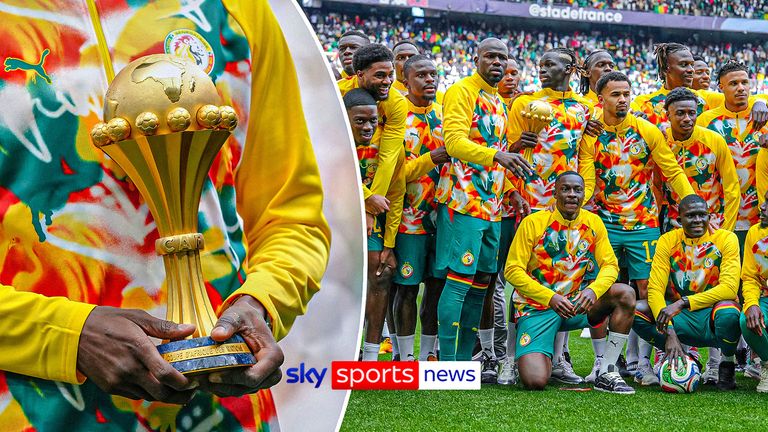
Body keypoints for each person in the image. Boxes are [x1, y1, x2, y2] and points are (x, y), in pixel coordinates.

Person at [0, 1, 331, 429]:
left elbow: (291, 216)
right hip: (33, 410)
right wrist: (67, 335)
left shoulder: (236, 11)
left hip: (224, 411)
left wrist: (263, 301)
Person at [579, 71, 696, 386]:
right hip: (604, 224)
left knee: (648, 291)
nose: (622, 100)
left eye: (626, 94)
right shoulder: (591, 133)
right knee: (604, 290)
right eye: (615, 94)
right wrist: (582, 207)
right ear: (600, 99)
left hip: (643, 224)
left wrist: (691, 202)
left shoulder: (646, 130)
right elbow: (587, 177)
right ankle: (602, 363)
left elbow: (672, 171)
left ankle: (642, 362)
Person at [435, 37, 532, 362]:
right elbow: (454, 143)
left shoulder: (498, 101)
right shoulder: (462, 91)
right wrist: (498, 156)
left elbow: (498, 152)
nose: (497, 62)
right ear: (476, 59)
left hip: (492, 206)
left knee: (483, 281)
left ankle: (463, 363)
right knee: (459, 280)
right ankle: (447, 364)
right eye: (490, 56)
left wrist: (511, 191)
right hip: (463, 202)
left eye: (502, 57)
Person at [507, 47, 597, 385]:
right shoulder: (525, 103)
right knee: (522, 277)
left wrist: (585, 195)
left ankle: (560, 358)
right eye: (540, 64)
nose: (541, 69)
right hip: (531, 202)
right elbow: (508, 148)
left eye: (549, 64)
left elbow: (585, 156)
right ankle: (508, 358)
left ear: (570, 68)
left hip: (568, 206)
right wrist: (513, 188)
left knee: (565, 275)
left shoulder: (584, 108)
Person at [506, 171, 635, 394]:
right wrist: (550, 297)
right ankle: (534, 357)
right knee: (535, 381)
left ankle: (607, 370)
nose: (572, 194)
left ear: (584, 194)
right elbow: (512, 270)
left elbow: (611, 265)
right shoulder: (533, 222)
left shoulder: (593, 222)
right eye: (565, 189)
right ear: (555, 193)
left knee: (625, 293)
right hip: (538, 308)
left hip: (576, 304)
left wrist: (593, 291)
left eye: (577, 190)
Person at [339, 45, 407, 360]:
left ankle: (369, 356)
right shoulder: (335, 95)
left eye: (390, 74)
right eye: (380, 75)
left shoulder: (396, 104)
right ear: (359, 74)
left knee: (382, 271)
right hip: (335, 205)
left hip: (371, 206)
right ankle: (338, 347)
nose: (388, 81)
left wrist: (369, 208)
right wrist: (365, 200)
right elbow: (326, 159)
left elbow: (390, 159)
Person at [633, 195, 741, 391]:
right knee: (636, 310)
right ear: (679, 219)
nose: (698, 220)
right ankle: (683, 356)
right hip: (680, 319)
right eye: (691, 216)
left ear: (709, 217)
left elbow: (729, 288)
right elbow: (655, 289)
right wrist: (669, 332)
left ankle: (727, 363)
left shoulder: (726, 238)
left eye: (702, 215)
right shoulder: (667, 240)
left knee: (729, 311)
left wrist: (683, 302)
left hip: (711, 317)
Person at [391, 55, 449, 361]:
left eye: (433, 74)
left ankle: (427, 355)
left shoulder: (444, 116)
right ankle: (404, 357)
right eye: (421, 75)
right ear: (405, 80)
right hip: (408, 220)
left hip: (442, 220)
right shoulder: (397, 117)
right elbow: (392, 174)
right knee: (407, 288)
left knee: (436, 287)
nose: (429, 80)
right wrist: (430, 159)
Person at [698, 61, 768, 254]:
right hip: (720, 216)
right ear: (721, 87)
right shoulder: (706, 121)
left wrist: (760, 101)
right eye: (733, 83)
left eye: (744, 82)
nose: (741, 88)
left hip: (759, 216)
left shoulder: (763, 116)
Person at [662, 87, 740, 233]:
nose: (687, 118)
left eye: (692, 113)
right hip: (675, 227)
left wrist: (726, 229)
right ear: (668, 115)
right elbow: (655, 185)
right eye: (680, 113)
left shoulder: (714, 140)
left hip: (712, 225)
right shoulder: (662, 142)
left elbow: (731, 187)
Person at [739, 191, 768, 392]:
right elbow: (750, 277)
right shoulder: (755, 233)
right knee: (747, 320)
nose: (762, 207)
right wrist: (751, 303)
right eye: (764, 201)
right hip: (764, 298)